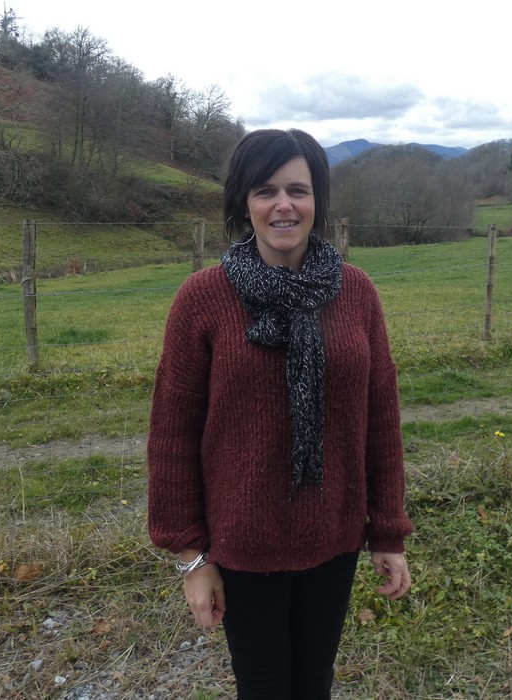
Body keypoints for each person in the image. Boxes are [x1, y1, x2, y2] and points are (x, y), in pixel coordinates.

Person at [147, 128, 412, 700]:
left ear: (318, 200)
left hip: (334, 537)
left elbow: (380, 420)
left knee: (314, 683)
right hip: (243, 547)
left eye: (298, 190)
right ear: (244, 202)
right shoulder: (203, 299)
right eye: (265, 191)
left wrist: (388, 532)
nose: (283, 205)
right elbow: (172, 434)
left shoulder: (356, 293)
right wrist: (192, 558)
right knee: (264, 689)